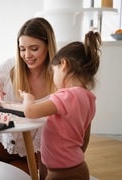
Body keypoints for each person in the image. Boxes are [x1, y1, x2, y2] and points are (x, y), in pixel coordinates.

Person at [0, 17, 57, 178]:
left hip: (31, 155)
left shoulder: (59, 79)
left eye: (34, 48)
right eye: (22, 49)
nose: (27, 55)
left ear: (48, 46)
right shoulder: (10, 66)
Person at [20, 31, 101, 179]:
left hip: (62, 172)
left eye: (54, 71)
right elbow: (85, 138)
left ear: (63, 65)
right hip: (78, 166)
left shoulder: (66, 96)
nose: (54, 79)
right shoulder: (89, 99)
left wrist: (28, 97)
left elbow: (30, 111)